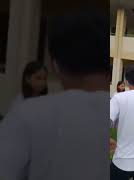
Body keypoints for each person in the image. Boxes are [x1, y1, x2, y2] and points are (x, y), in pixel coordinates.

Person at [0, 10, 109, 180]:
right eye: (38, 78)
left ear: (54, 65)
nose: (42, 82)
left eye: (43, 78)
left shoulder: (27, 115)